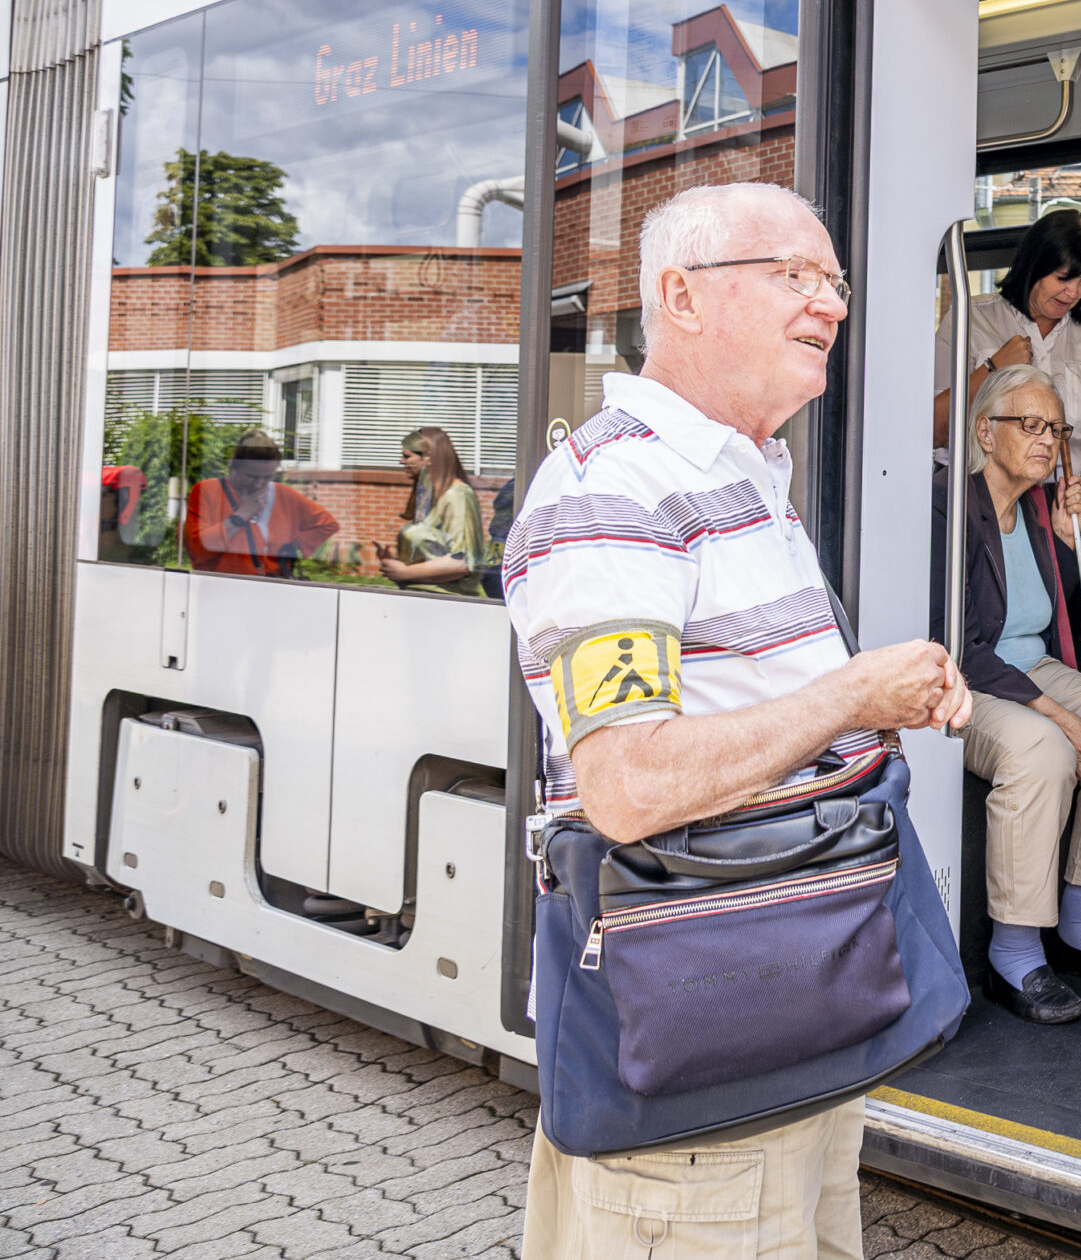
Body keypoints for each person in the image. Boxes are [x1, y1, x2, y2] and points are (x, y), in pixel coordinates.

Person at [505, 181, 970, 1260]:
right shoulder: (611, 494)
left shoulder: (752, 479)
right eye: (793, 275)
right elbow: (629, 785)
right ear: (682, 297)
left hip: (789, 1028)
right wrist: (851, 696)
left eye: (836, 281)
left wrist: (866, 715)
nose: (832, 304)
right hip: (699, 1079)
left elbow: (759, 723)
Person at [932, 364, 1081, 1025]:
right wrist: (1058, 713)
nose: (1045, 440)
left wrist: (1068, 538)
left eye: (1054, 429)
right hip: (968, 681)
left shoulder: (1036, 508)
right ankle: (1015, 952)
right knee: (1043, 748)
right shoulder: (952, 505)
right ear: (984, 431)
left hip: (1033, 667)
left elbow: (1058, 608)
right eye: (1029, 424)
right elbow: (958, 643)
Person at [932, 209, 1081, 587]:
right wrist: (991, 368)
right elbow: (933, 430)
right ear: (1034, 265)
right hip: (981, 497)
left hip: (1064, 504)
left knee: (1058, 625)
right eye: (1063, 278)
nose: (1073, 292)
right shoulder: (971, 320)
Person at [184, 429, 339, 577]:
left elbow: (328, 524)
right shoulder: (208, 491)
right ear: (234, 466)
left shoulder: (284, 495)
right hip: (222, 586)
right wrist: (240, 516)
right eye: (251, 476)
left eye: (267, 477)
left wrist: (293, 548)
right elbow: (197, 551)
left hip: (272, 588)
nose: (259, 484)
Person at [374, 426, 492, 596]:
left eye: (407, 456)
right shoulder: (431, 496)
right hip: (421, 599)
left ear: (428, 457)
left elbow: (463, 563)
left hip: (446, 605)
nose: (401, 461)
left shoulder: (457, 495)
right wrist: (397, 565)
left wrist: (404, 572)